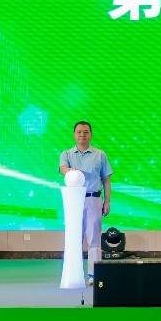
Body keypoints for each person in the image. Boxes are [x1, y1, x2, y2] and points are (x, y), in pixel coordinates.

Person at [59, 121, 112, 285]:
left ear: (91, 134)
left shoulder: (100, 155)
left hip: (93, 199)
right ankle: (74, 273)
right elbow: (62, 168)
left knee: (94, 237)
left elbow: (106, 179)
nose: (82, 135)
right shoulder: (67, 154)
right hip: (74, 201)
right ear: (74, 134)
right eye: (79, 132)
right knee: (74, 237)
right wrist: (70, 171)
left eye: (86, 132)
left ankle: (94, 275)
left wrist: (107, 201)